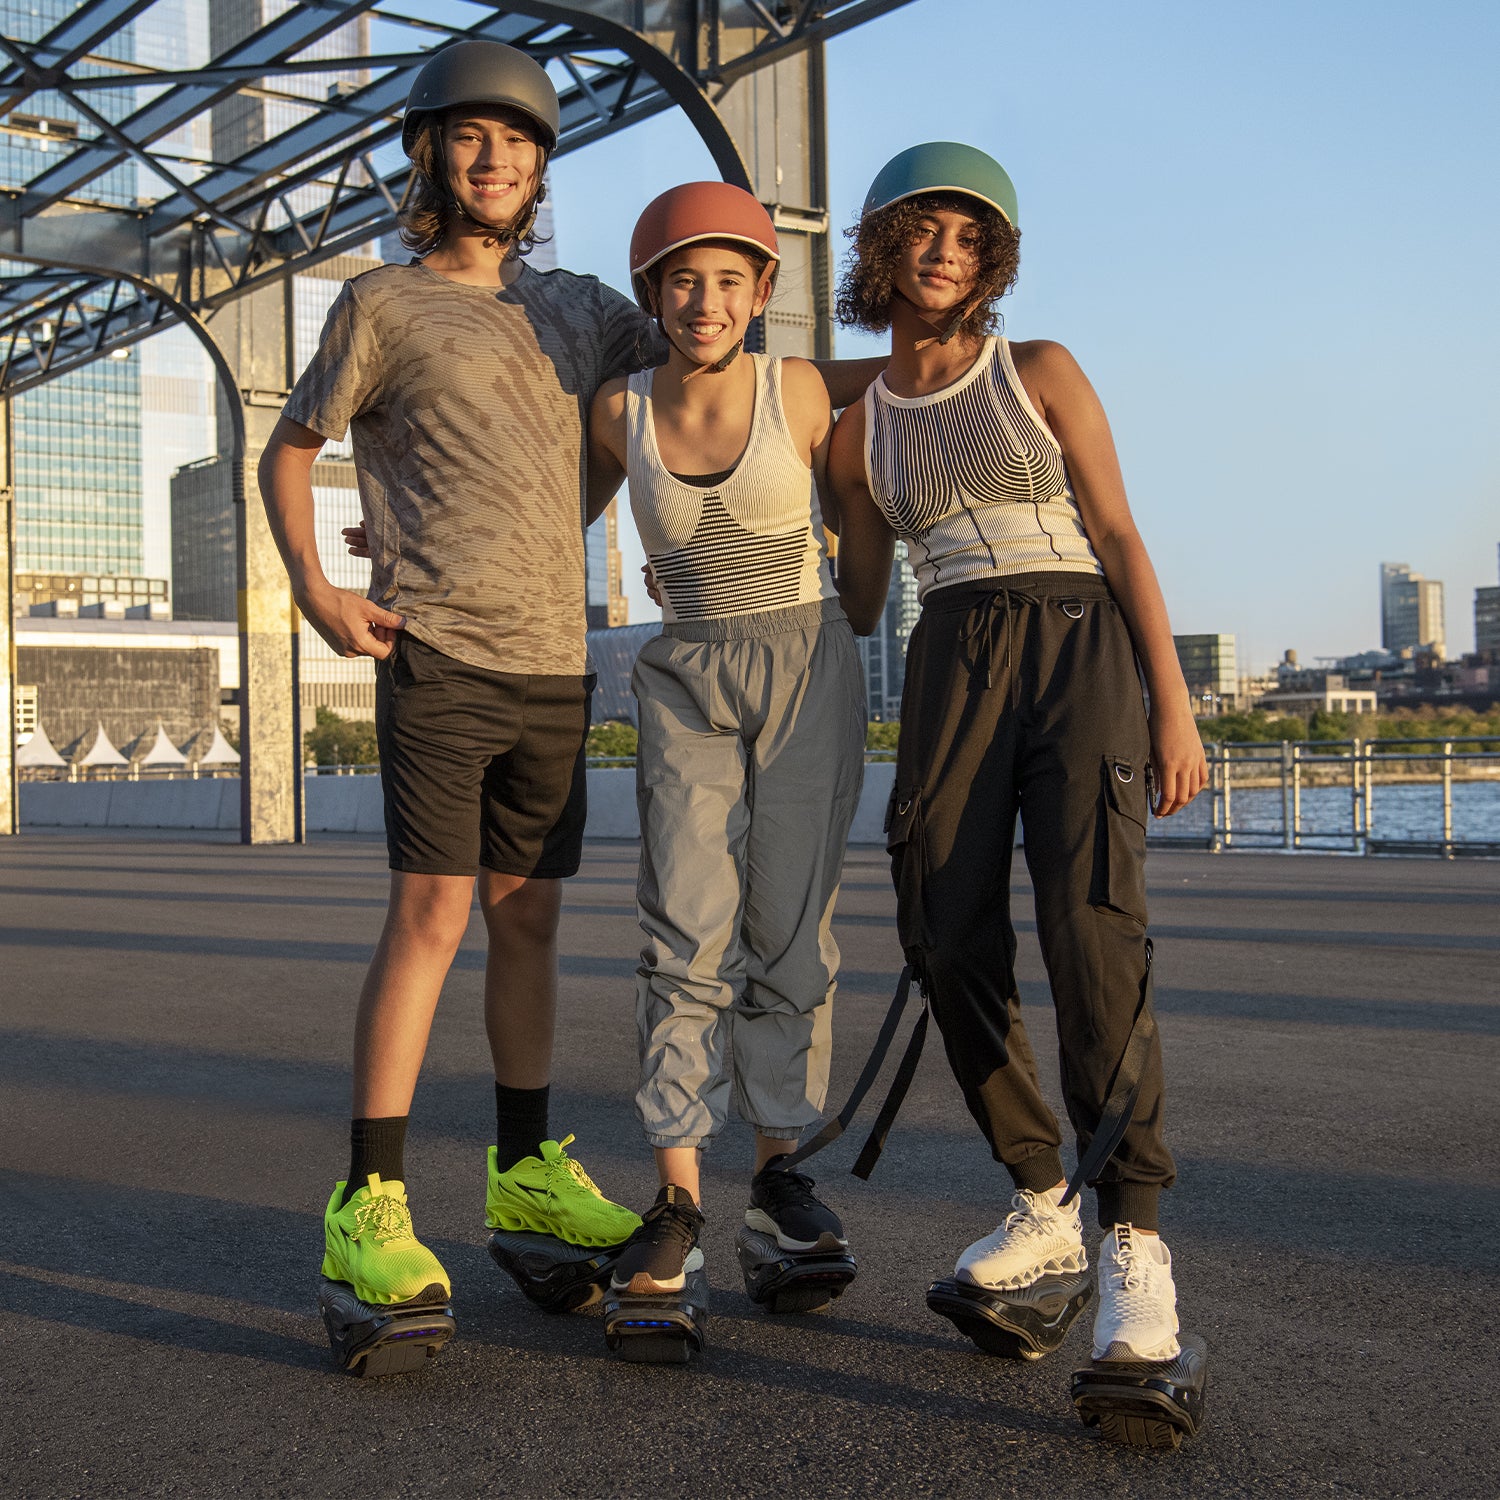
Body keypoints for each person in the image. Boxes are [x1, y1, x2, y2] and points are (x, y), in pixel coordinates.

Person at [259, 40, 654, 1333]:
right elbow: (291, 448)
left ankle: (528, 1174)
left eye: (521, 142)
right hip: (436, 653)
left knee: (527, 917)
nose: (496, 159)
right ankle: (368, 1201)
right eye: (471, 138)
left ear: (542, 168)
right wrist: (319, 591)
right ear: (430, 154)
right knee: (432, 912)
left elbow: (686, 365)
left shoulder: (581, 309)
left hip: (557, 662)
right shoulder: (381, 305)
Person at [829, 144, 1209, 1374]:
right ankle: (1042, 1199)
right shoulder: (854, 427)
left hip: (1078, 636)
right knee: (941, 924)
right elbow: (859, 593)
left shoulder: (1036, 370)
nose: (946, 253)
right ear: (883, 248)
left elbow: (1118, 531)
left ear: (994, 263)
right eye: (924, 232)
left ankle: (1134, 1242)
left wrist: (1175, 704)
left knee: (1093, 932)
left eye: (969, 238)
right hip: (950, 652)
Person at [585, 183, 867, 1310]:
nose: (705, 301)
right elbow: (540, 517)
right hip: (686, 671)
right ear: (652, 293)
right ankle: (678, 1198)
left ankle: (780, 1177)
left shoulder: (797, 387)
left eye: (729, 281)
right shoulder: (618, 411)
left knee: (790, 930)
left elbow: (888, 442)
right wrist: (393, 534)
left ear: (763, 294)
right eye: (683, 280)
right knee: (683, 927)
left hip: (807, 664)